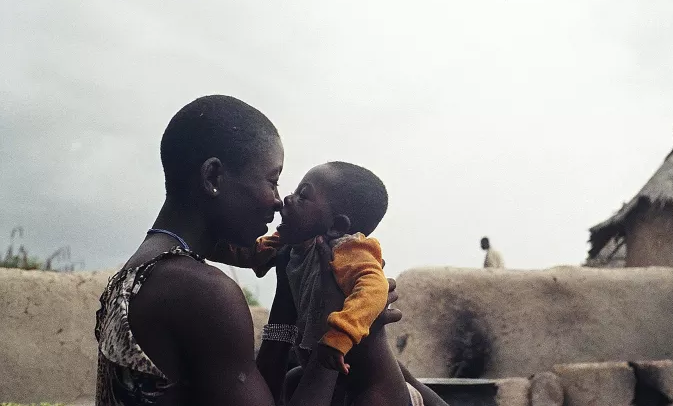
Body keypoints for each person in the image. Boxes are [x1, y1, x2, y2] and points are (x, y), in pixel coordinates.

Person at [94, 95, 401, 406]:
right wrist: (332, 344)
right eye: (273, 181)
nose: (279, 201)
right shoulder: (201, 290)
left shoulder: (139, 269)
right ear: (213, 177)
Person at [215, 162, 448, 406]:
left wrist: (339, 336)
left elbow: (375, 288)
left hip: (371, 386)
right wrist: (210, 243)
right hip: (329, 376)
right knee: (293, 379)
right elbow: (249, 252)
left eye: (302, 196)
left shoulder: (349, 251)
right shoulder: (289, 246)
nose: (287, 199)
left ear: (337, 226)